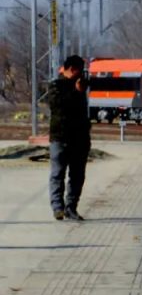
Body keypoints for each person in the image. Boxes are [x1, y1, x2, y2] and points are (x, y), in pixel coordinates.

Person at [48, 55, 91, 221]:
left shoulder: (80, 87)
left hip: (80, 139)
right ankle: (57, 207)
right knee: (58, 173)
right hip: (60, 137)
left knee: (77, 175)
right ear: (72, 69)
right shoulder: (55, 86)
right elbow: (59, 107)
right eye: (79, 71)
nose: (81, 75)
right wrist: (76, 91)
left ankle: (71, 207)